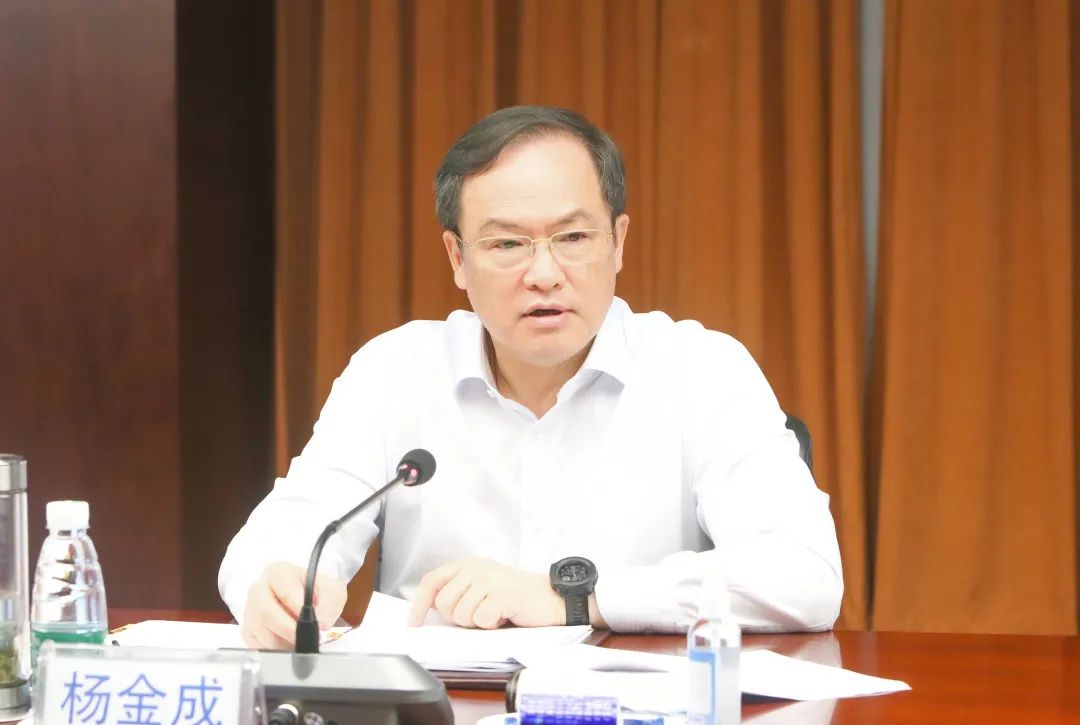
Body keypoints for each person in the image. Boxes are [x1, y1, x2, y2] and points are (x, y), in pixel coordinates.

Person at [219, 105, 843, 650]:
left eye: (573, 237)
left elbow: (804, 576)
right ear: (457, 258)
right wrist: (276, 587)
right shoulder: (394, 371)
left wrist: (574, 597)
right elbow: (281, 537)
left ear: (618, 242)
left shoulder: (701, 369)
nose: (544, 274)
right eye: (507, 245)